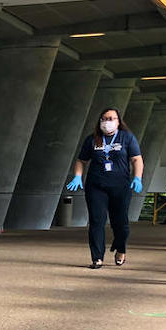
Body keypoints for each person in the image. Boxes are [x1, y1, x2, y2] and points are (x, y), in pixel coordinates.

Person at [66, 107, 143, 268]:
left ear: (118, 121)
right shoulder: (92, 139)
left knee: (121, 224)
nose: (107, 122)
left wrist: (137, 178)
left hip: (120, 186)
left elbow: (136, 159)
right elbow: (81, 160)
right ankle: (97, 258)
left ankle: (120, 248)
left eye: (111, 118)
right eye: (104, 119)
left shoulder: (126, 137)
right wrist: (78, 175)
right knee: (96, 221)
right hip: (96, 186)